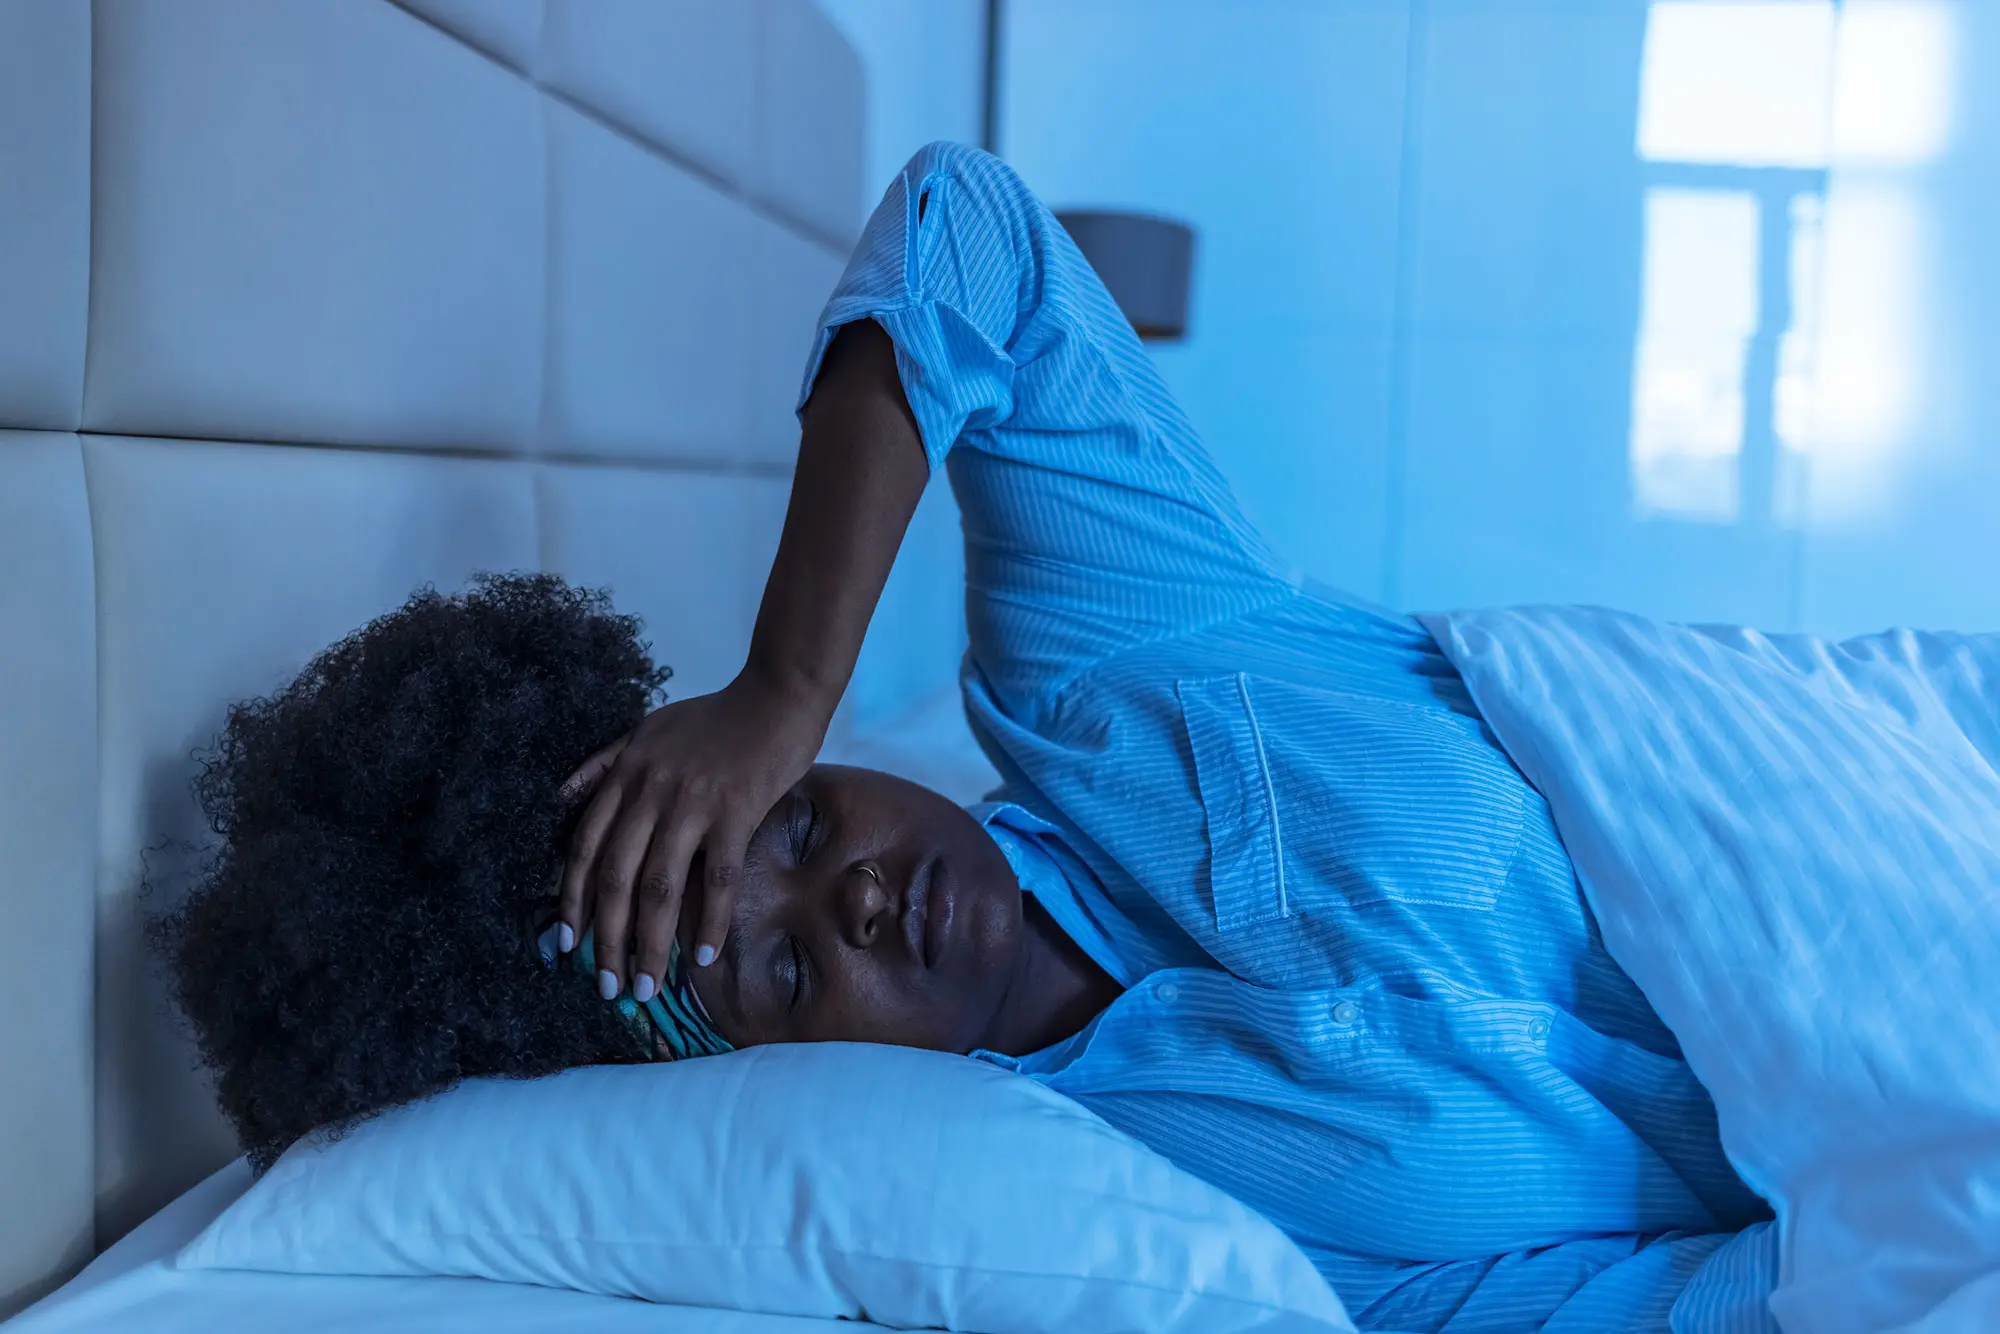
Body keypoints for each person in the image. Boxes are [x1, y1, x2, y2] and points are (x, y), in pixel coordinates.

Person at [162, 143, 1774, 1332]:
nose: (853, 895)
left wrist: (781, 681)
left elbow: (969, 236)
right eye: (787, 972)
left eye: (785, 828)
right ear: (764, 1083)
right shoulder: (1151, 1221)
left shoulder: (1109, 668)